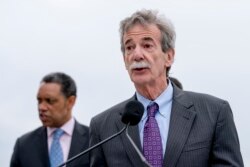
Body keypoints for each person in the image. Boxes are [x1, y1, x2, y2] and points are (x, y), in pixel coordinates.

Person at [89, 9, 244, 167]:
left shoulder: (214, 113)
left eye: (147, 45)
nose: (137, 55)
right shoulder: (103, 127)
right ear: (124, 61)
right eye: (129, 48)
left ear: (168, 56)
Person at [10, 72, 89, 167]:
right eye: (39, 101)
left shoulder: (93, 140)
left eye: (49, 101)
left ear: (70, 102)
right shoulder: (23, 145)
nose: (41, 107)